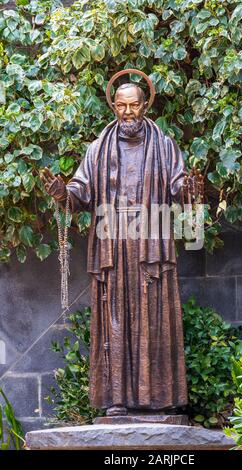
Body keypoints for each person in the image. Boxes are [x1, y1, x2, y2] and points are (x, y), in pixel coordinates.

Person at [41, 72, 202, 417]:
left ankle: (159, 399)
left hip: (151, 239)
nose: (128, 112)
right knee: (114, 320)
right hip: (112, 243)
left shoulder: (164, 144)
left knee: (154, 316)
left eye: (134, 105)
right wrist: (62, 194)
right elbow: (80, 192)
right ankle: (117, 400)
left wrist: (189, 190)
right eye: (122, 106)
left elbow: (177, 187)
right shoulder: (98, 148)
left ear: (146, 105)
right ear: (113, 106)